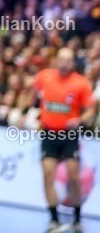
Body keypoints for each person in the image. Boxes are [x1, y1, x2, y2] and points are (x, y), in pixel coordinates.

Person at [34, 47, 95, 233]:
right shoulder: (44, 77)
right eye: (61, 59)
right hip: (49, 133)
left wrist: (80, 120)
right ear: (56, 60)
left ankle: (76, 218)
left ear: (73, 62)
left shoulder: (81, 83)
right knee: (47, 174)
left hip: (69, 135)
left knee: (74, 175)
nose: (64, 63)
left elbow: (91, 110)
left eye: (68, 60)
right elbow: (34, 93)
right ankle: (54, 219)